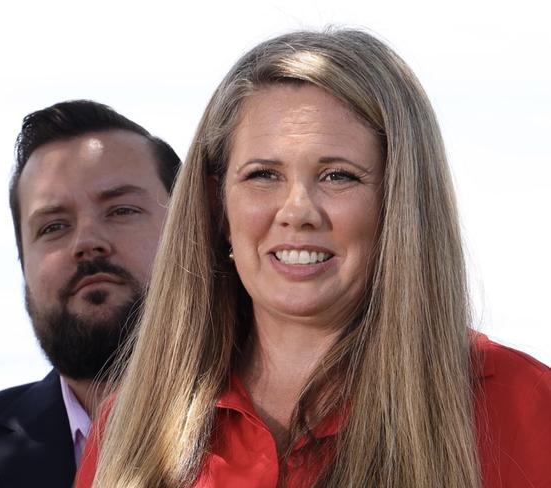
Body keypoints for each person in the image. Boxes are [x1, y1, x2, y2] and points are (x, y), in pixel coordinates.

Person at [75, 30, 551, 488]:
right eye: (263, 175)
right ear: (218, 207)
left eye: (338, 176)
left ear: (398, 205)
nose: (297, 210)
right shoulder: (132, 423)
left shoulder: (526, 406)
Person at [0, 100, 181, 488]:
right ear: (23, 266)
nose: (86, 242)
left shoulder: (286, 430)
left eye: (121, 210)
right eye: (53, 227)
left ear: (191, 232)